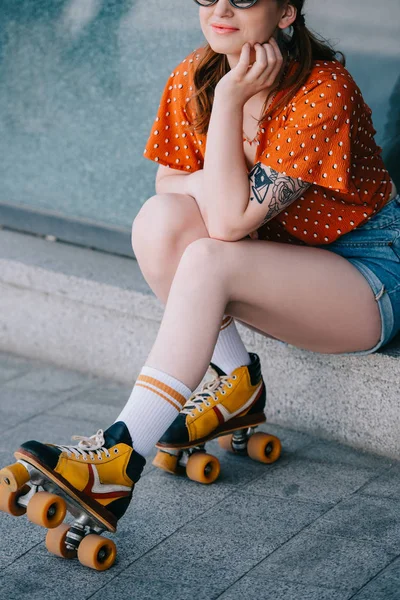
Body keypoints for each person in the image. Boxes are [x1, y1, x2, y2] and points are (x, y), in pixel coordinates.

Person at [8, 0, 400, 532]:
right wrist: (224, 106)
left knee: (209, 257)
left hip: (367, 275)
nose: (219, 9)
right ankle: (236, 381)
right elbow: (168, 186)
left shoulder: (320, 89)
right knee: (159, 222)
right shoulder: (194, 74)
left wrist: (232, 98)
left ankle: (119, 458)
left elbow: (229, 221)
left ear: (286, 12)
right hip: (282, 263)